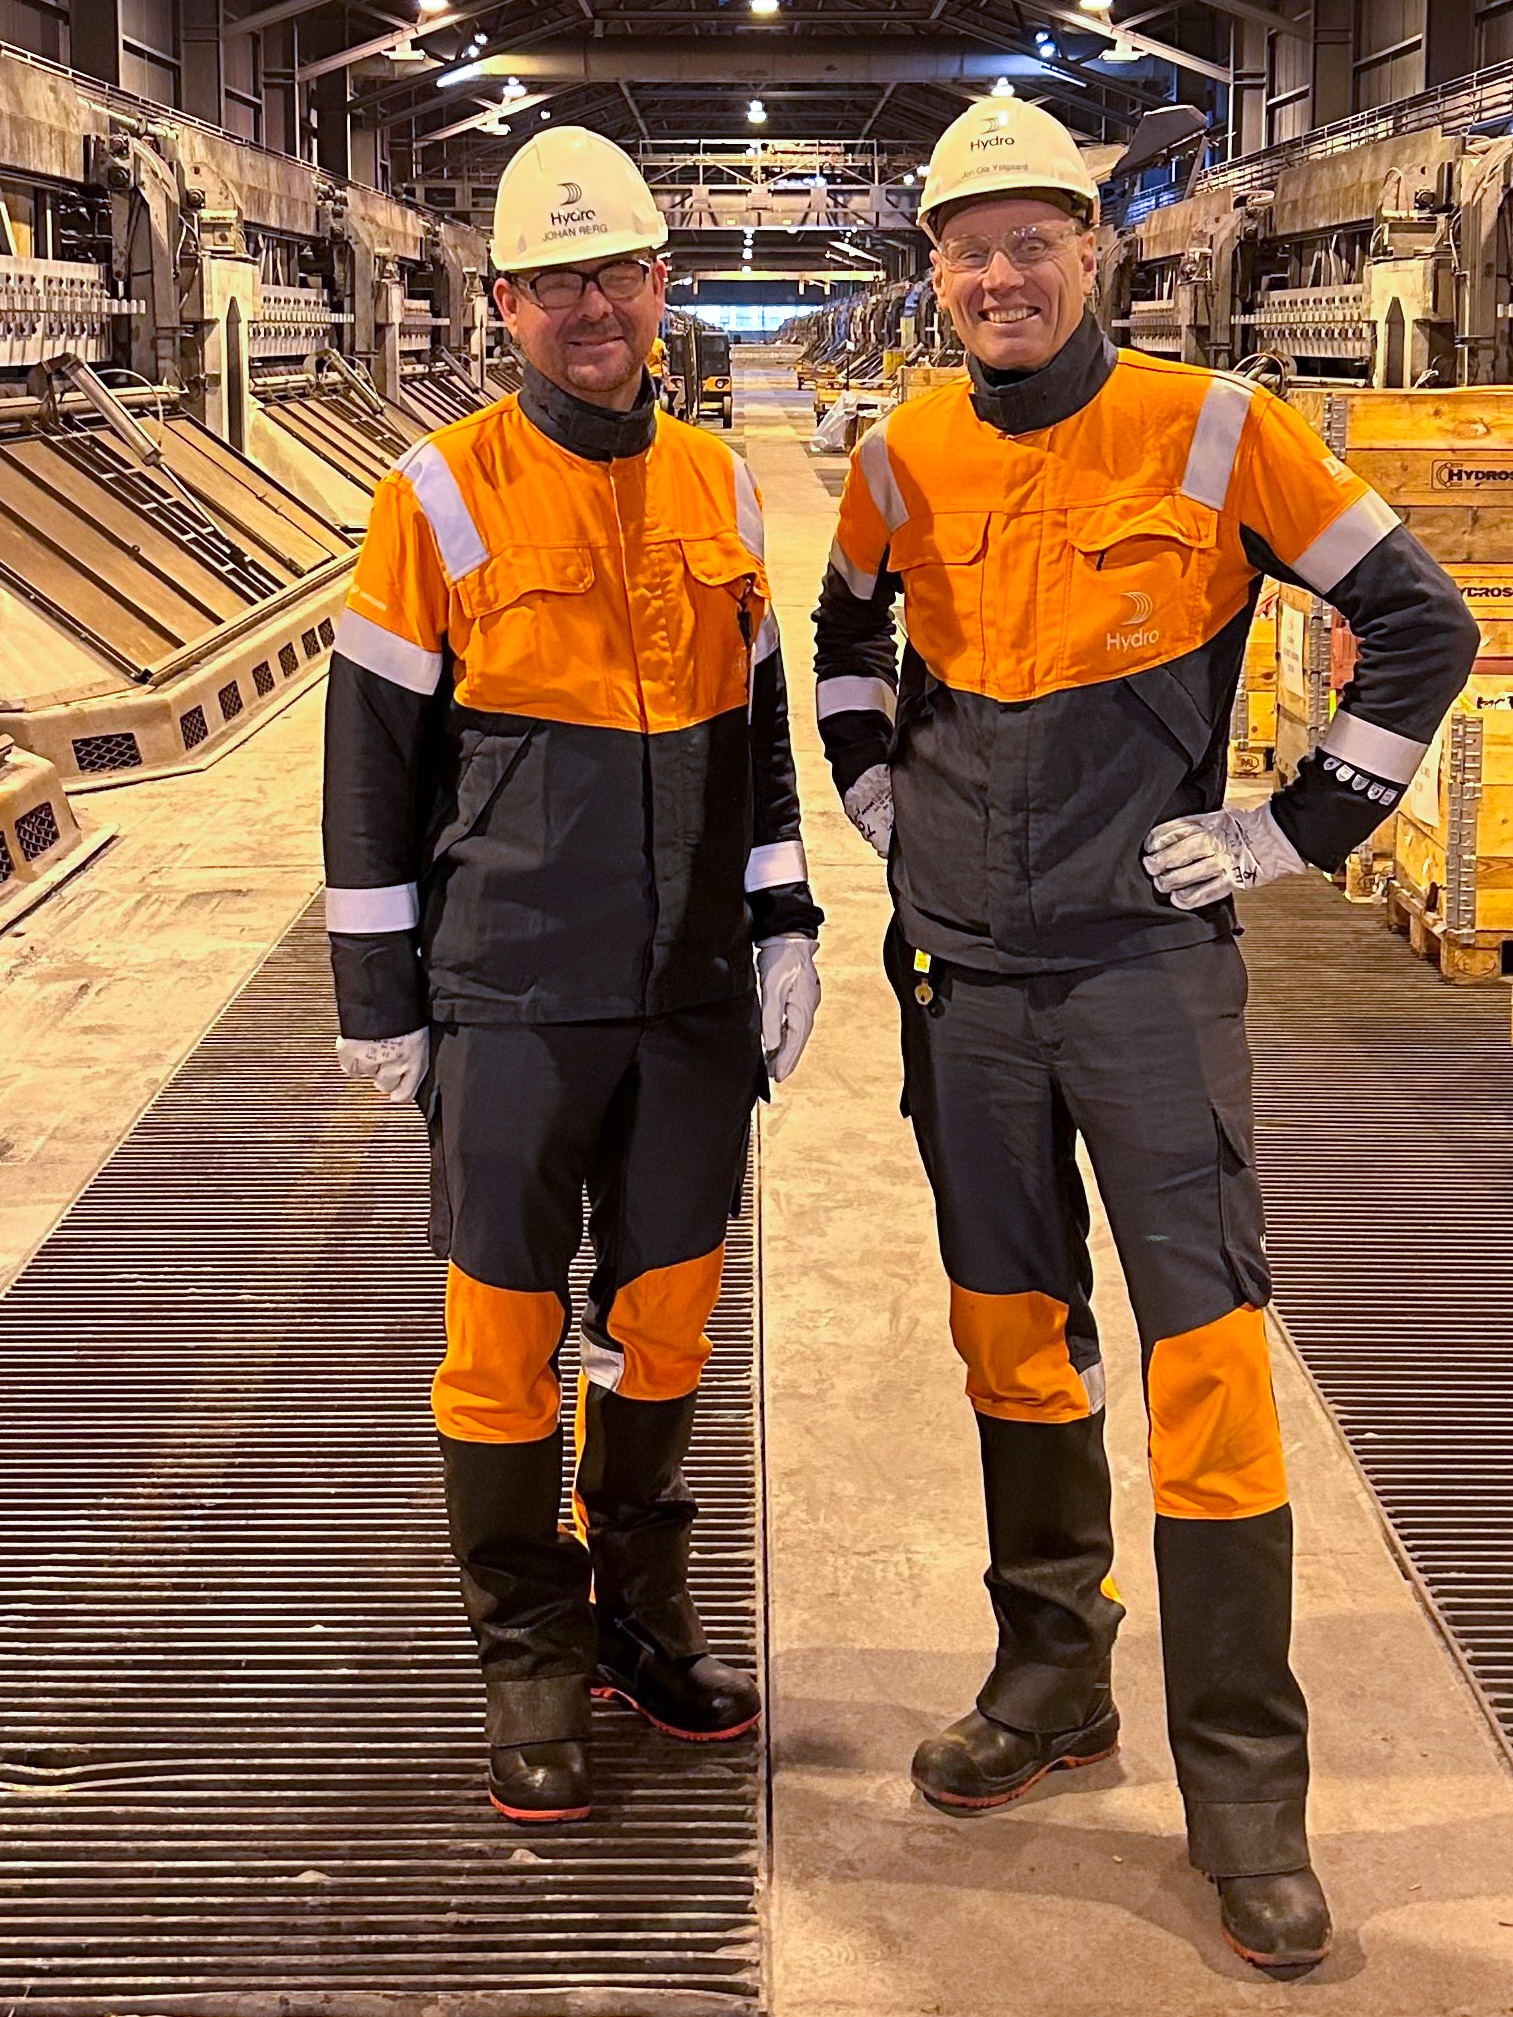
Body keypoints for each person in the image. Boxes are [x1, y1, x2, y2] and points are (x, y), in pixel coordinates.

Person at [813, 97, 1475, 1972]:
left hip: (1140, 976)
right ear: (932, 273)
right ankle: (1050, 1680)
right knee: (1012, 1332)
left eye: (1035, 240)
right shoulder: (899, 450)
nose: (1001, 276)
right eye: (968, 247)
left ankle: (1244, 1789)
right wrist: (873, 794)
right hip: (959, 972)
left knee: (1203, 1358)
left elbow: (1413, 624)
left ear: (1091, 252)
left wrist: (1292, 828)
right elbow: (842, 631)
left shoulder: (1218, 428)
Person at [323, 124, 821, 1826]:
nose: (590, 309)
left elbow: (753, 734)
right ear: (505, 305)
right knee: (503, 1339)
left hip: (685, 997)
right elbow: (371, 761)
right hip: (511, 992)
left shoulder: (717, 482)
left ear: (660, 289)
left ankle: (639, 1611)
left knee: (668, 1315)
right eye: (554, 283)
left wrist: (786, 918)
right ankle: (526, 1651)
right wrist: (378, 995)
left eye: (615, 274)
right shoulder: (437, 492)